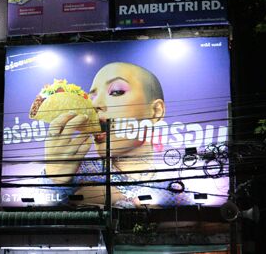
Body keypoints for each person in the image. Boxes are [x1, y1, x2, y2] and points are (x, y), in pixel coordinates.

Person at [43, 62, 190, 207]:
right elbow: (37, 214)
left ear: (156, 111)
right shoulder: (80, 173)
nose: (94, 106)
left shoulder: (173, 187)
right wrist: (55, 179)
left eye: (116, 92)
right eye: (91, 98)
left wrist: (122, 202)